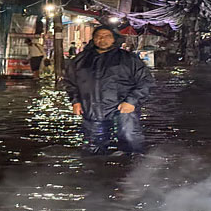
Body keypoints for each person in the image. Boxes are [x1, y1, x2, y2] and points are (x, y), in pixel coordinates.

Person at [63, 26, 154, 155]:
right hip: (92, 109)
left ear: (114, 39)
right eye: (99, 36)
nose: (102, 39)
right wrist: (75, 101)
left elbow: (145, 81)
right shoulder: (81, 60)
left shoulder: (128, 59)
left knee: (130, 142)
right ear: (93, 39)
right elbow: (70, 82)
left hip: (123, 108)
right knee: (93, 148)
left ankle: (135, 171)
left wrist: (131, 101)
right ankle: (97, 172)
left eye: (107, 36)